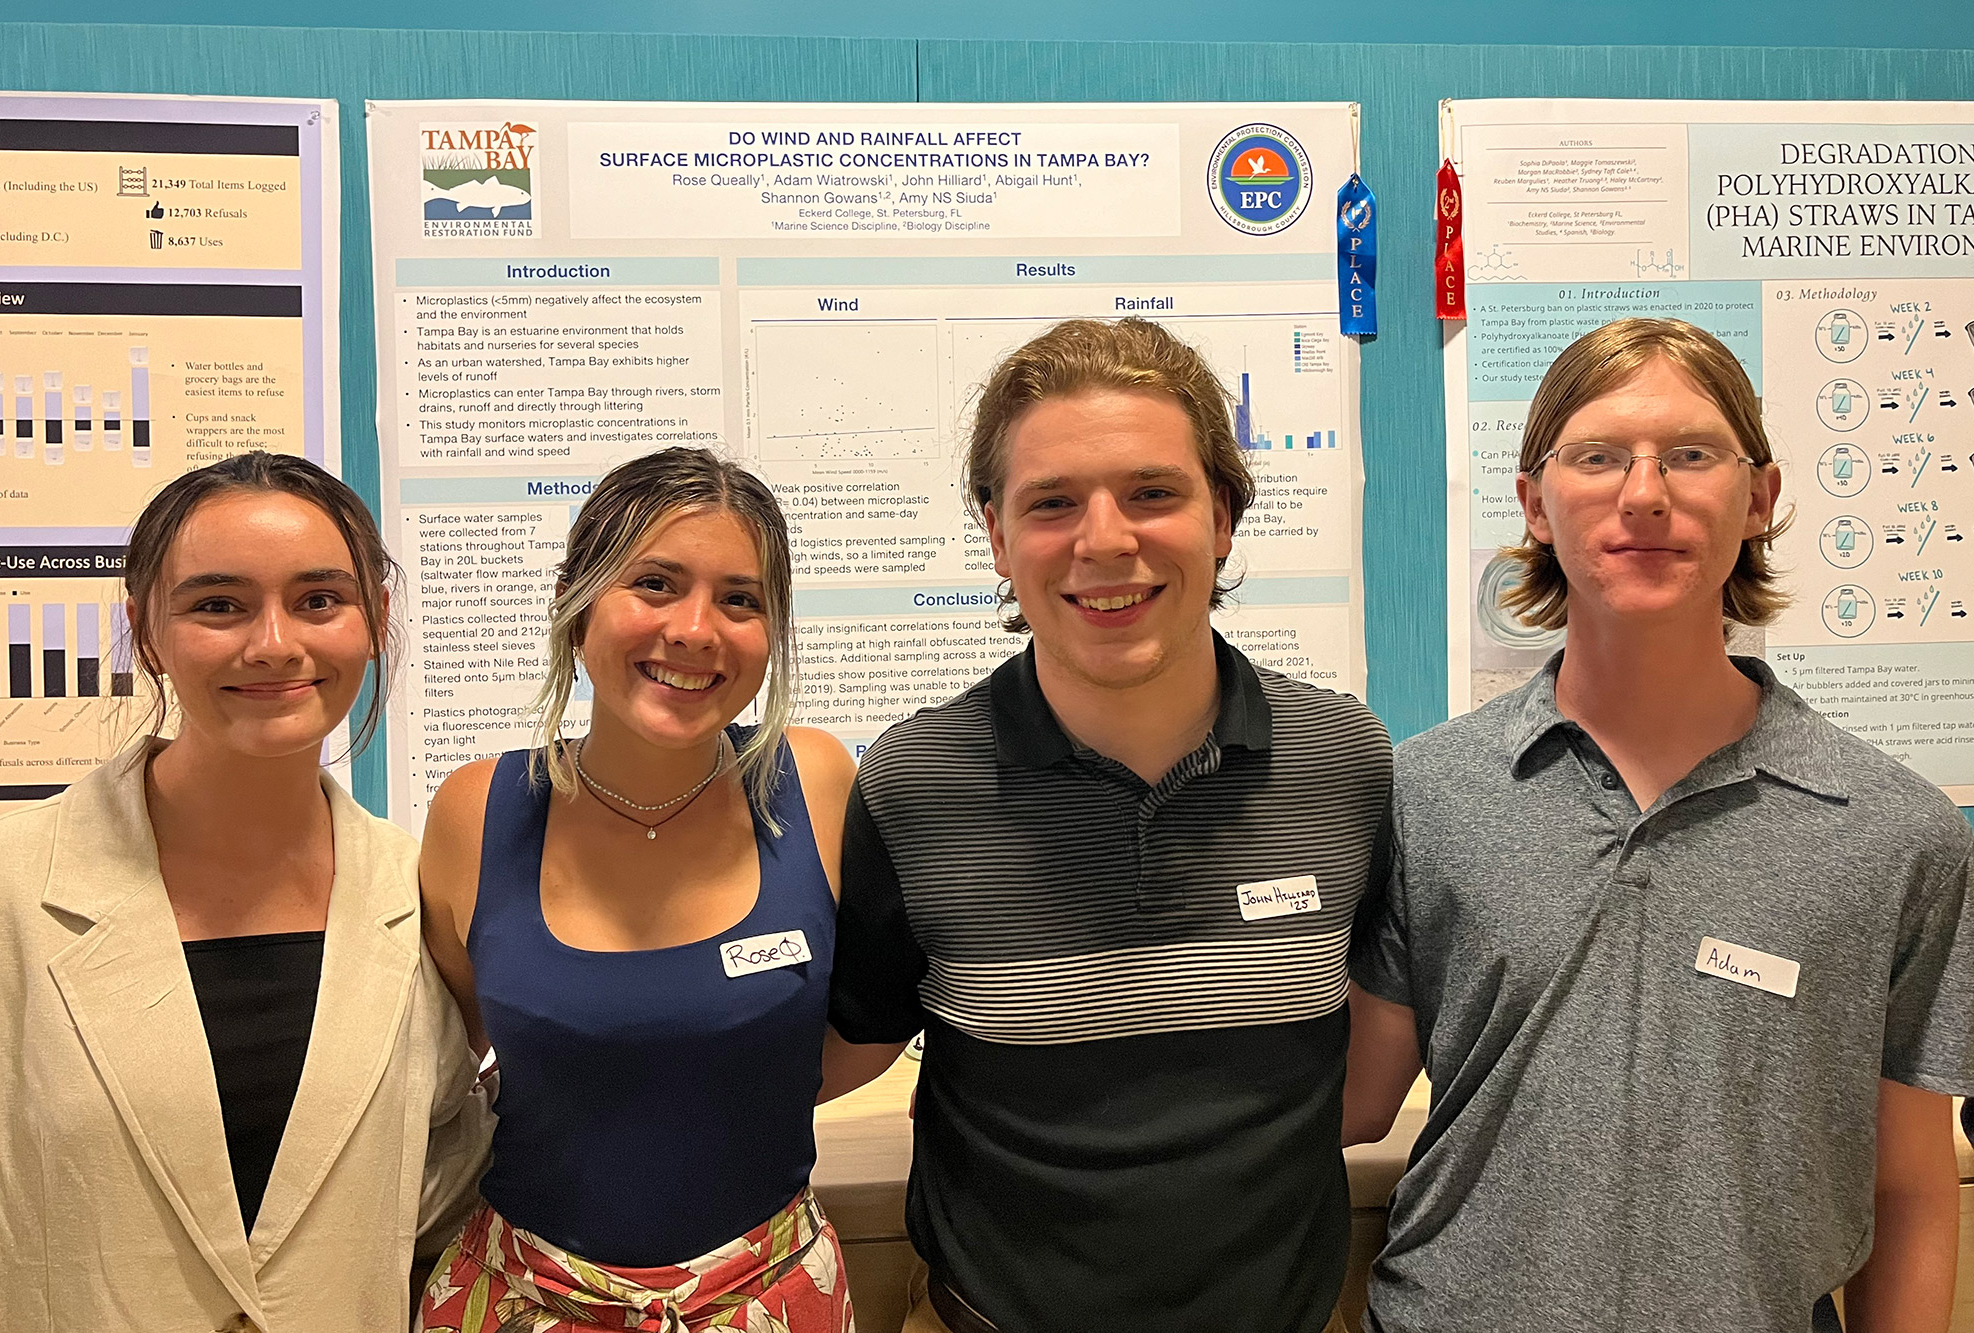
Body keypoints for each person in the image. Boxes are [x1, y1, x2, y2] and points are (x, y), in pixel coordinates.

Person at [1345, 318, 1974, 1333]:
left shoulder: (1896, 833)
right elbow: (1350, 1103)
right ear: (1532, 504)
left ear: (1758, 497)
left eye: (1689, 454)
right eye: (1595, 457)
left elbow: (1905, 1186)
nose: (1644, 493)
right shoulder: (1424, 793)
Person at [818, 317, 1392, 1333]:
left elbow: (1365, 1082)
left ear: (1221, 514)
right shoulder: (914, 783)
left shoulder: (1343, 761)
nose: (1103, 539)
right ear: (996, 534)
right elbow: (849, 1042)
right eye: (1051, 503)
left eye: (1151, 493)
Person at [0, 451, 492, 1331]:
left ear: (375, 621)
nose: (274, 643)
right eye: (219, 605)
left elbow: (440, 1188)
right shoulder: (2, 891)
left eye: (319, 599)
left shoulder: (421, 897)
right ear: (147, 632)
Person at [417, 447, 858, 1332]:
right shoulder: (478, 810)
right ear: (575, 605)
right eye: (655, 583)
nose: (697, 629)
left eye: (741, 599)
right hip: (525, 1301)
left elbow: (858, 1028)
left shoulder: (813, 780)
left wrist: (701, 1074)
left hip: (769, 1299)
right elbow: (456, 1050)